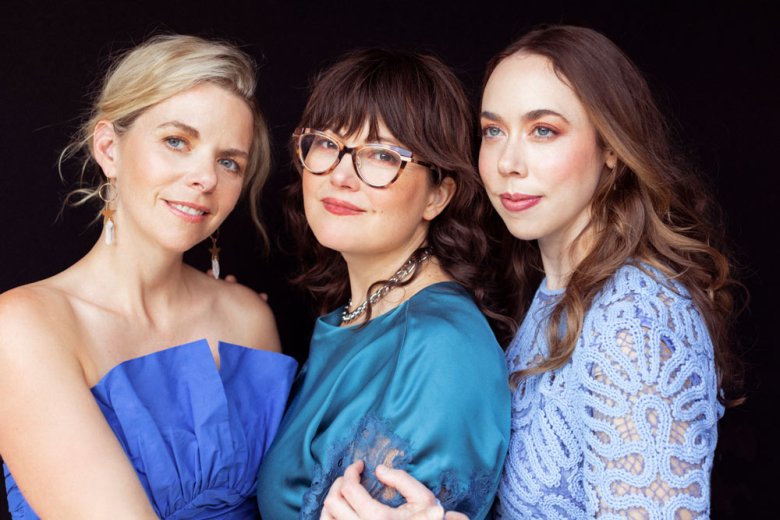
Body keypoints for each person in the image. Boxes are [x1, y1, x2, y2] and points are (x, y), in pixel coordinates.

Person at [321, 25, 742, 519]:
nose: (507, 162)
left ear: (611, 147)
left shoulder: (636, 316)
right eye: (493, 131)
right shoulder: (552, 295)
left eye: (544, 130)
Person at [0, 34, 297, 519]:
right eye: (177, 141)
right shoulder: (24, 328)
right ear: (108, 149)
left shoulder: (248, 319)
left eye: (229, 162)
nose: (206, 178)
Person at [255, 49, 512, 520]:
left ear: (438, 194)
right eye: (327, 143)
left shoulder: (439, 347)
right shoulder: (352, 317)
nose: (340, 174)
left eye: (382, 155)